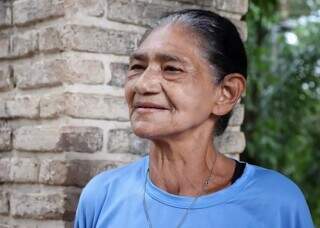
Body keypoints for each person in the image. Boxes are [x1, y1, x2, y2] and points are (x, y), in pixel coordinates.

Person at [74, 9, 314, 228]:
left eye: (172, 69)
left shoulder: (277, 203)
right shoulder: (102, 196)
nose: (143, 84)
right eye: (137, 66)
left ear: (226, 93)